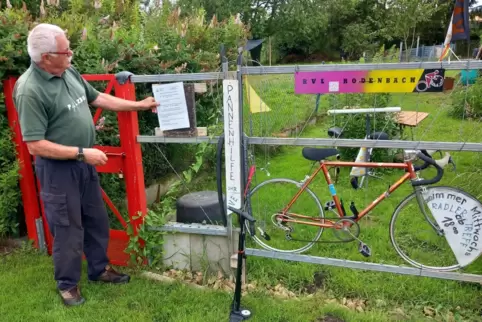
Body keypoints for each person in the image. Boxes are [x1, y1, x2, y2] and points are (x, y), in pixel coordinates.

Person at [12, 23, 159, 307]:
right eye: (65, 51)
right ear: (46, 57)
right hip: (58, 170)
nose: (71, 54)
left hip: (83, 164)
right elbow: (35, 145)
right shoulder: (29, 90)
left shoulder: (67, 71)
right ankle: (68, 285)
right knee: (67, 229)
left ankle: (99, 270)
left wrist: (138, 105)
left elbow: (98, 98)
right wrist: (82, 153)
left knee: (96, 219)